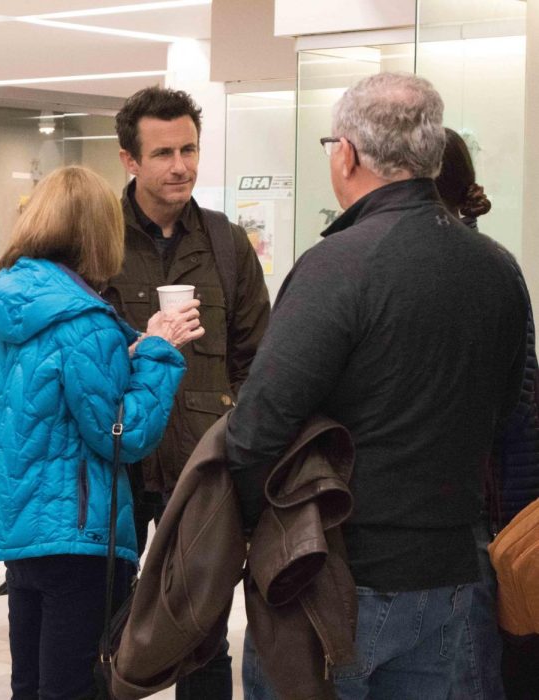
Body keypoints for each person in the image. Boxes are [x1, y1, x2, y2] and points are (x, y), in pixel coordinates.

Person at [227, 72, 527, 699]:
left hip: (335, 576)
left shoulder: (338, 264)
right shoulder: (499, 269)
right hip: (452, 574)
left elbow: (257, 427)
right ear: (435, 154)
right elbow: (508, 412)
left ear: (347, 154)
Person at [0, 165, 203, 700]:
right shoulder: (86, 322)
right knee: (75, 685)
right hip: (80, 533)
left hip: (23, 522)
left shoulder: (6, 308)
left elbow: (43, 401)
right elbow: (123, 433)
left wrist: (123, 358)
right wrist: (159, 353)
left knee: (29, 683)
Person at [103, 85, 270, 698]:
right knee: (110, 626)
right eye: (164, 152)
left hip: (203, 471)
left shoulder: (226, 243)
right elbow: (78, 358)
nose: (181, 165)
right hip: (117, 462)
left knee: (202, 634)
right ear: (130, 160)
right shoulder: (97, 239)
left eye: (190, 149)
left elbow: (257, 360)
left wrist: (240, 455)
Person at [438, 127, 539, 700]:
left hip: (479, 510)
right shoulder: (494, 263)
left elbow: (510, 406)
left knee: (474, 669)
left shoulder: (473, 271)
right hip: (493, 507)